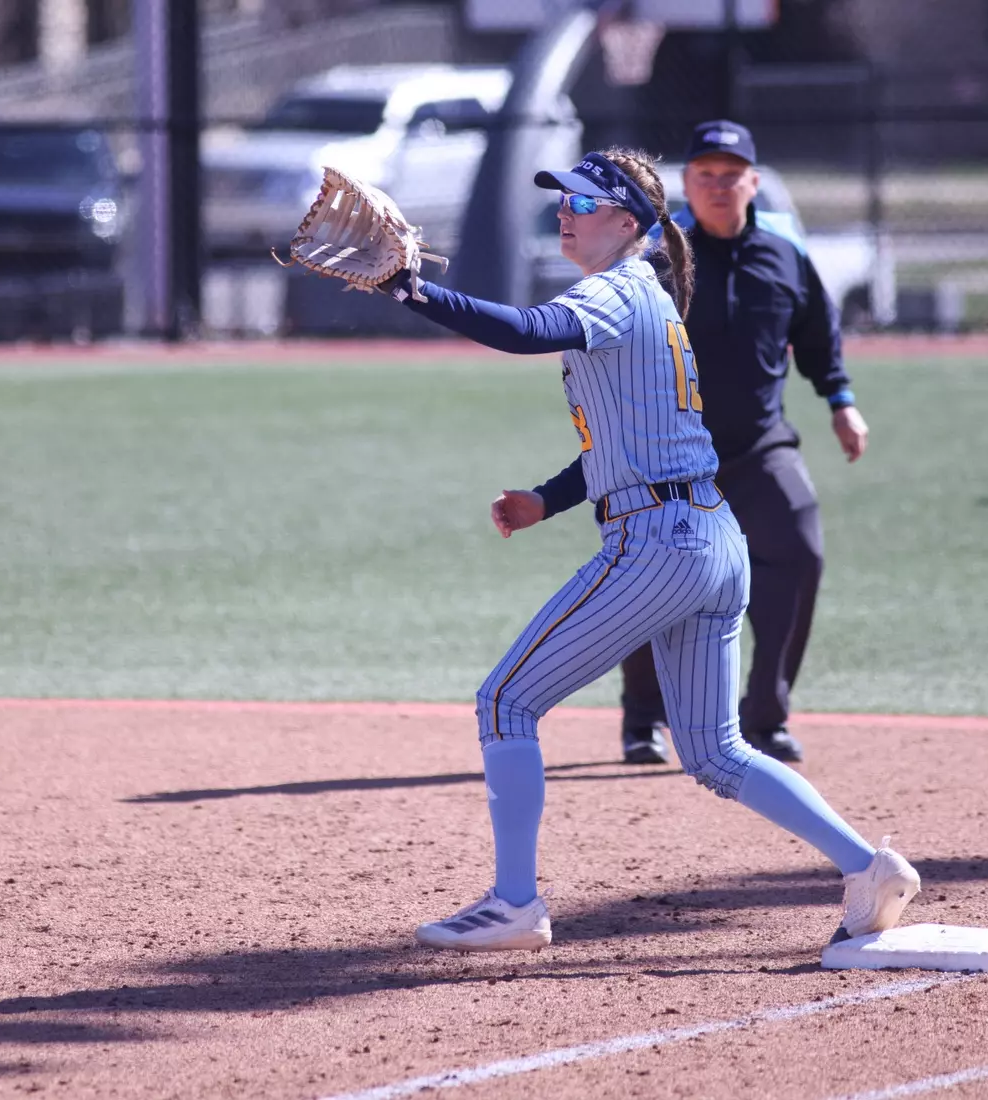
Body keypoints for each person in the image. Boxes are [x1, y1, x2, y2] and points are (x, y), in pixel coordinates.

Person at [383, 147, 917, 952]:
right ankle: (868, 865)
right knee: (715, 751)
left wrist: (412, 290)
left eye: (580, 202)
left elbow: (527, 331)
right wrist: (547, 500)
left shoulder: (616, 290)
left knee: (506, 703)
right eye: (560, 200)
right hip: (708, 536)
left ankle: (515, 903)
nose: (562, 212)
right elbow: (633, 441)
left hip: (658, 546)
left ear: (626, 222)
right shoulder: (648, 296)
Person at [577, 119, 863, 766]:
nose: (717, 186)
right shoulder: (657, 261)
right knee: (651, 579)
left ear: (753, 183)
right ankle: (642, 721)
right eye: (704, 175)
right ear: (686, 184)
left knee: (800, 548)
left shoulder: (784, 255)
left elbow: (819, 336)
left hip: (761, 446)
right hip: (668, 453)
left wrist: (842, 403)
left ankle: (765, 715)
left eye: (731, 175)